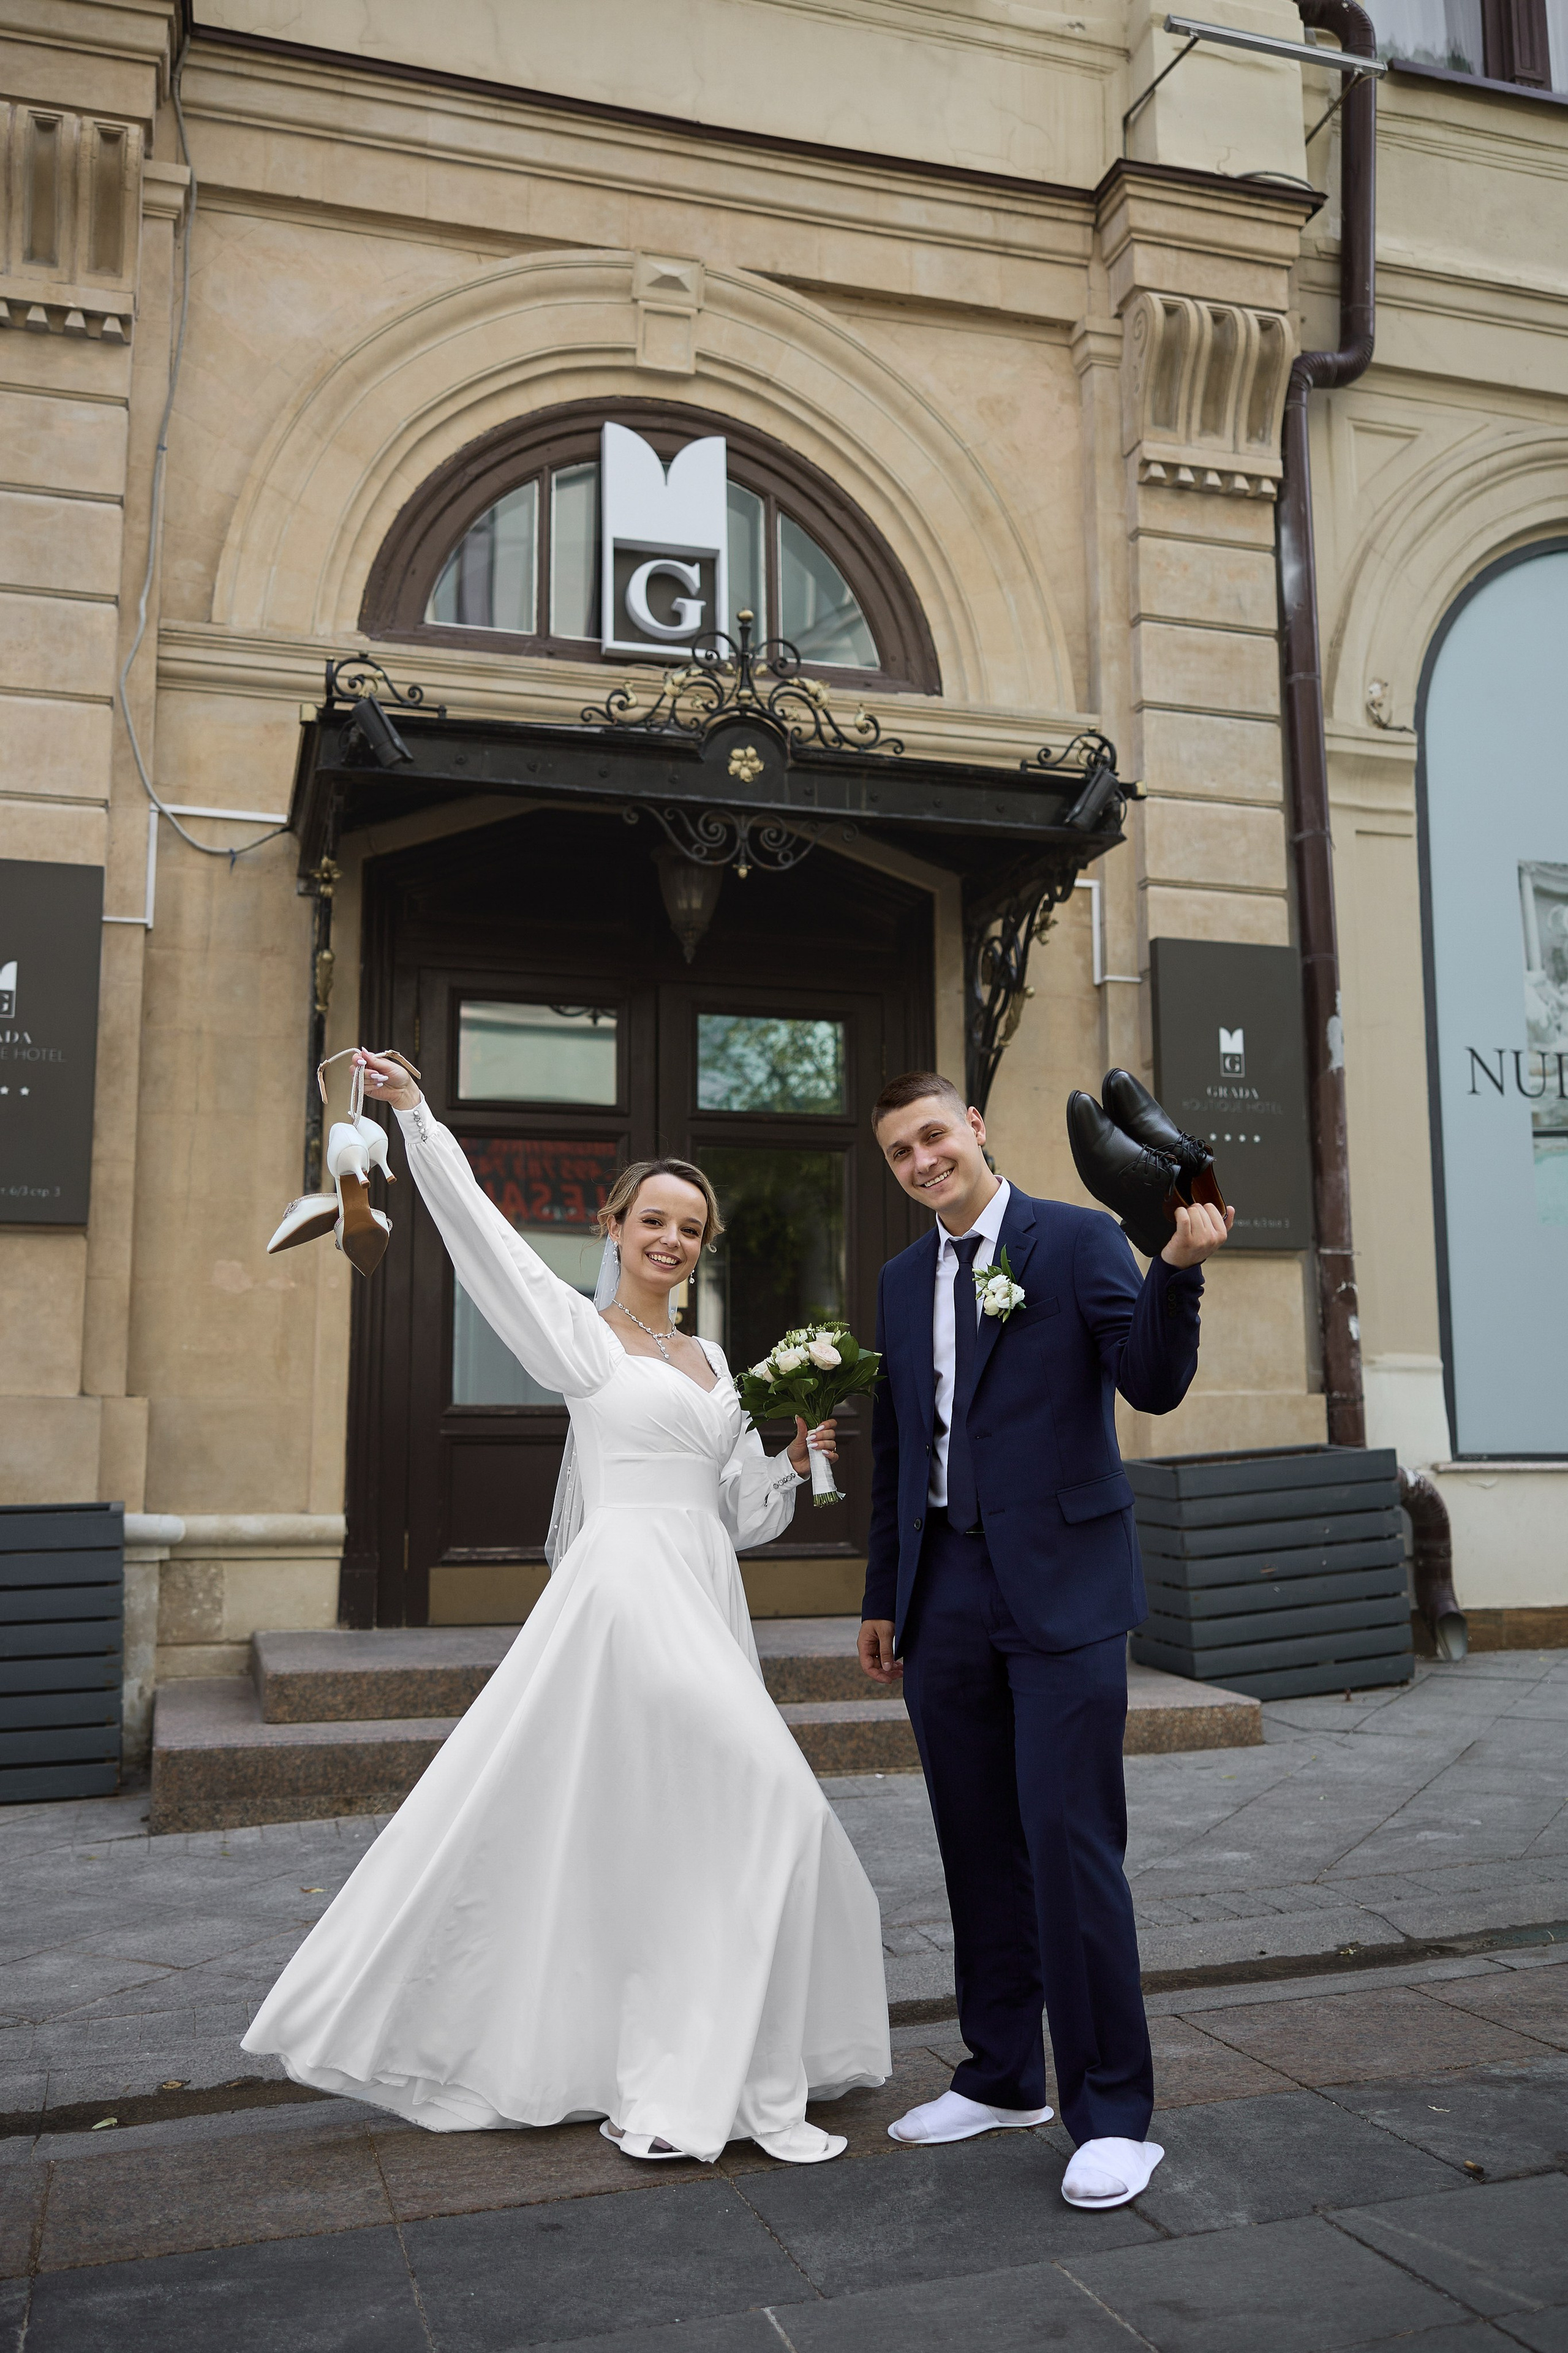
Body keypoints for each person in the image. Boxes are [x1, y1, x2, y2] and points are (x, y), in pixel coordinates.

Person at [243, 1048, 890, 2166]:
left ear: (703, 1246)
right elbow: (489, 1243)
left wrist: (788, 1461)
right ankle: (691, 2070)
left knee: (687, 1831)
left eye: (691, 1228)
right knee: (778, 1801)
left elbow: (735, 1514)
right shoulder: (584, 1341)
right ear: (614, 1227)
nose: (671, 1239)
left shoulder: (715, 1359)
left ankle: (694, 2052)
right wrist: (419, 1119)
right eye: (654, 1220)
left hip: (705, 1592)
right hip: (628, 1596)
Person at [858, 1071, 1231, 2208]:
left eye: (934, 1135)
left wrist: (1175, 1269)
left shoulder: (1074, 1240)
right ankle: (1003, 2071)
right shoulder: (899, 1279)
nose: (923, 1161)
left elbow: (1150, 1382)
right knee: (974, 1842)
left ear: (974, 1126)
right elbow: (897, 1446)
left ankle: (1113, 2112)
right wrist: (885, 1593)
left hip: (1063, 1588)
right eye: (900, 1151)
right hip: (943, 1594)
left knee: (1069, 1845)